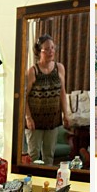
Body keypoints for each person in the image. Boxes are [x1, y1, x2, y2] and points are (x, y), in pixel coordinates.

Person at [24, 35, 67, 165]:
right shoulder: (32, 71)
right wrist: (28, 117)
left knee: (49, 156)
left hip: (53, 120)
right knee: (34, 155)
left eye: (53, 48)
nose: (51, 51)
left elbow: (63, 93)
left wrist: (66, 114)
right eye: (47, 49)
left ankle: (46, 184)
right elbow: (24, 97)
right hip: (35, 121)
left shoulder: (59, 68)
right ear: (39, 51)